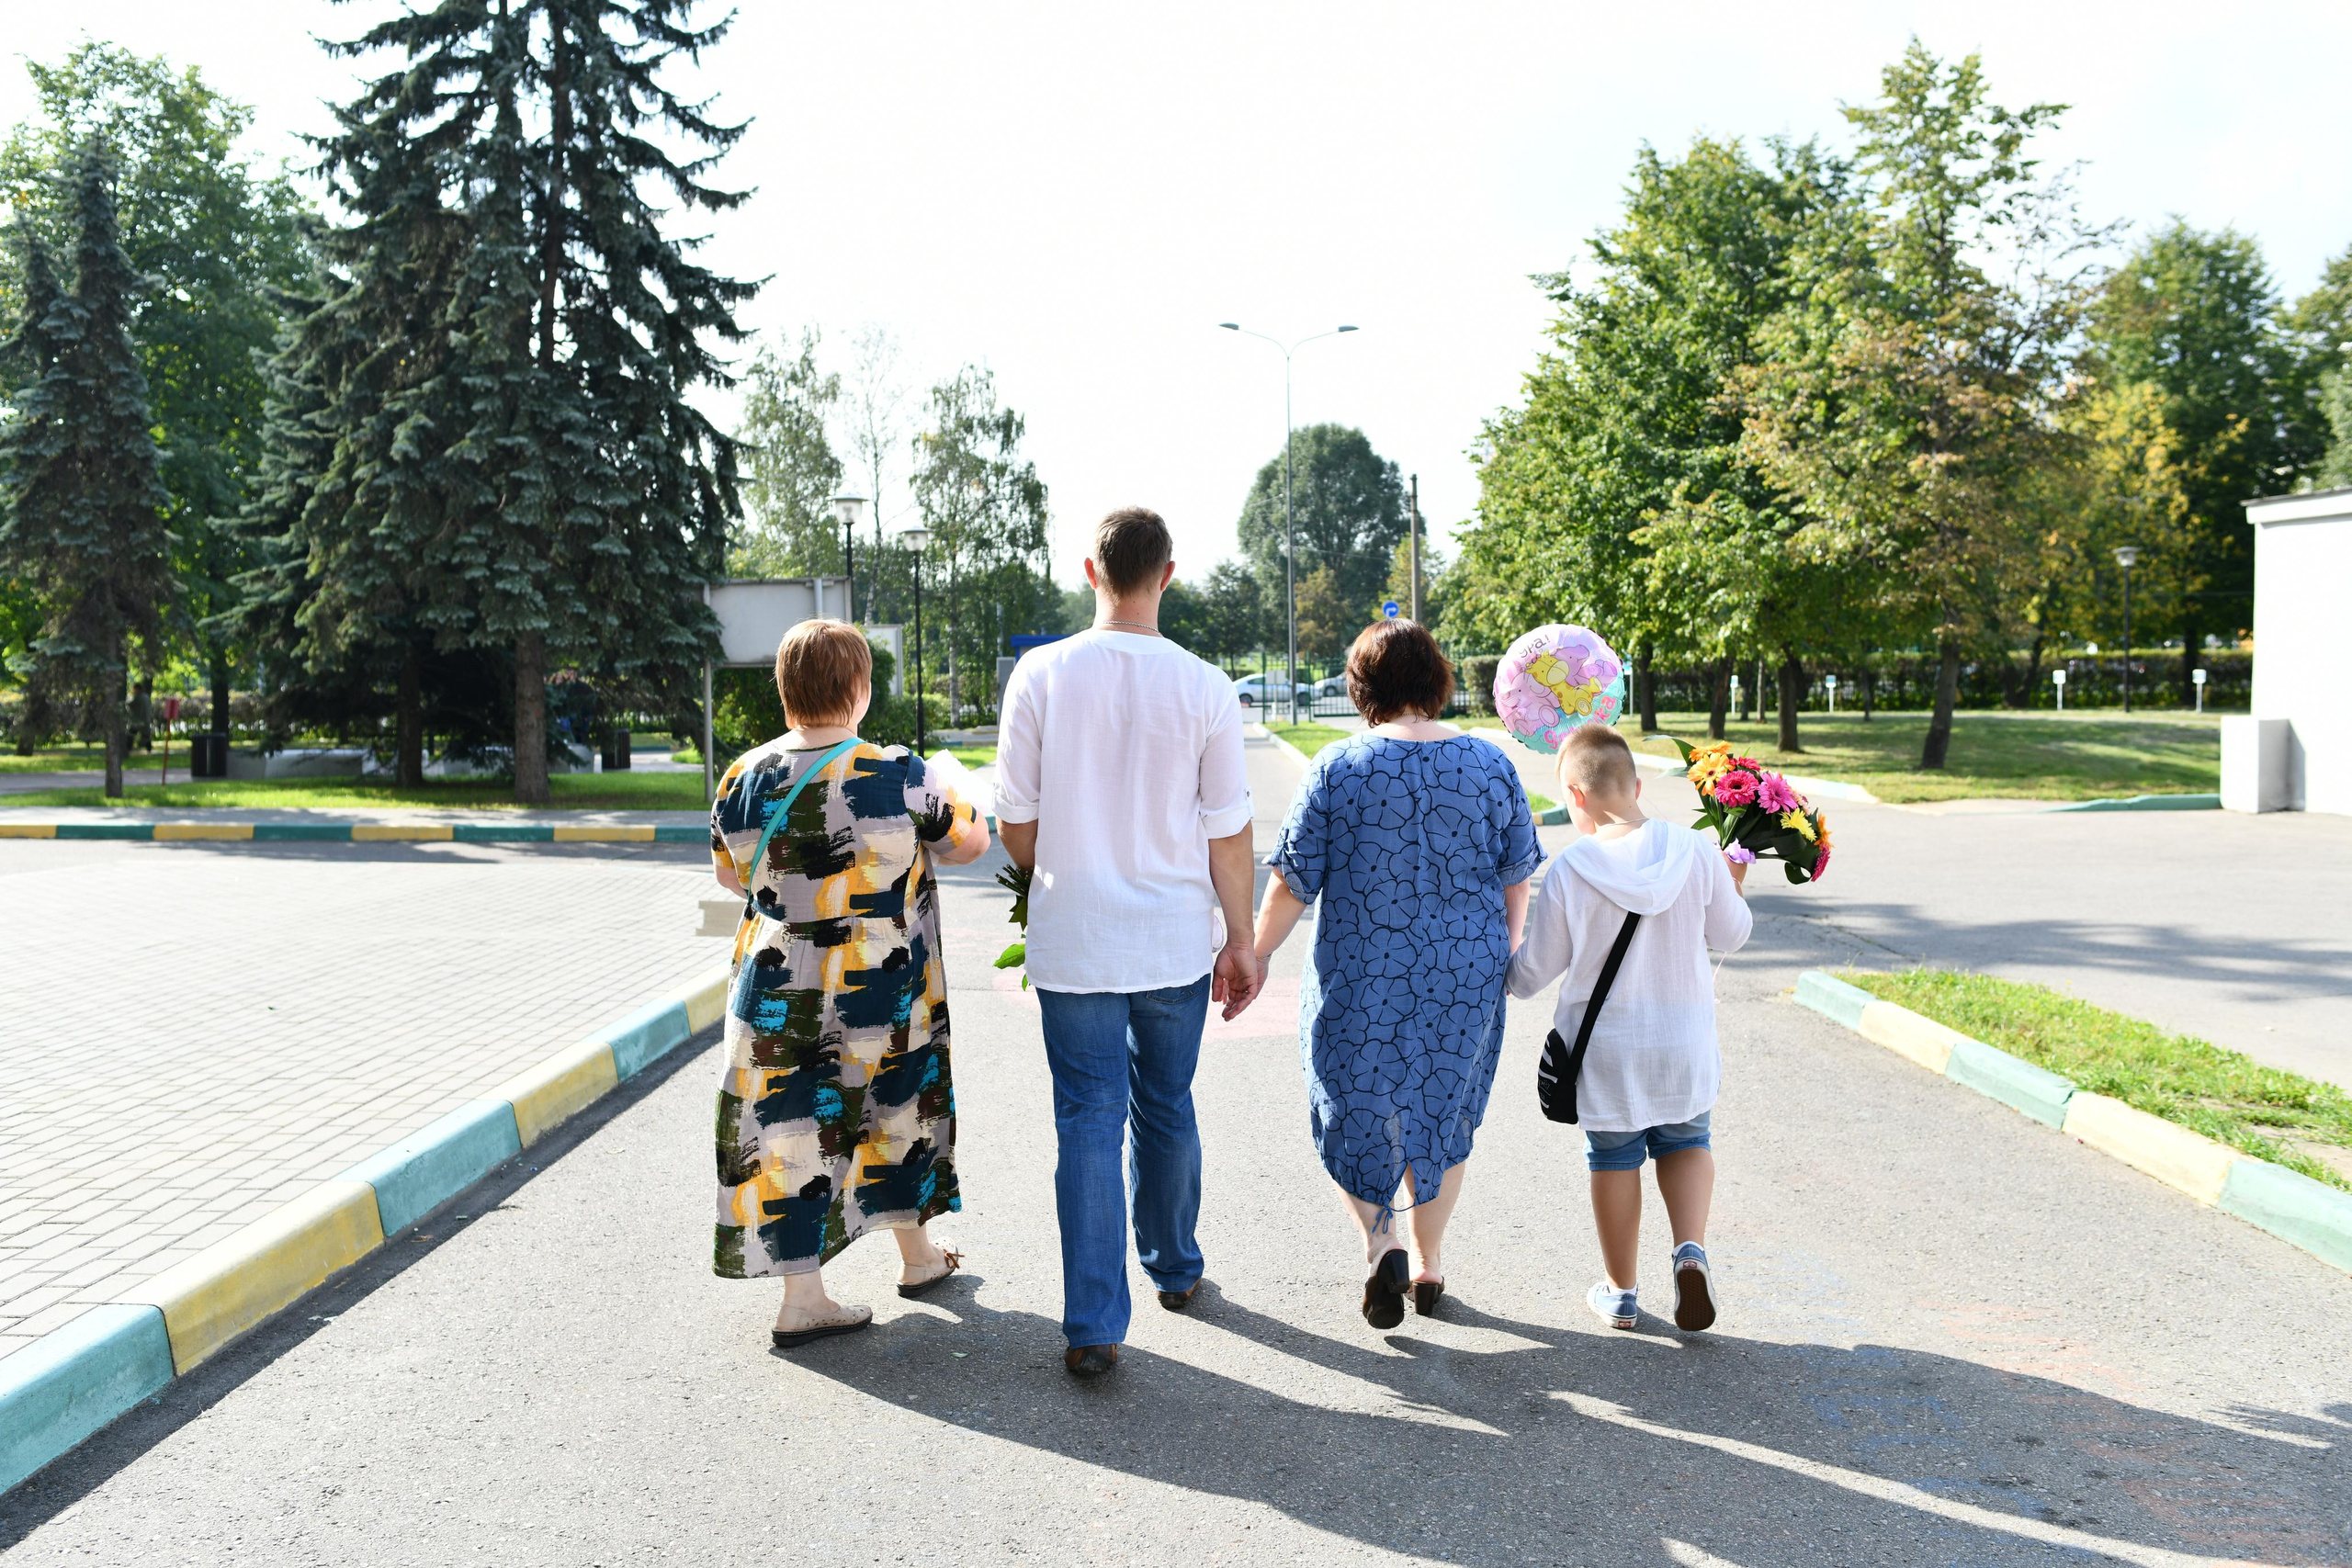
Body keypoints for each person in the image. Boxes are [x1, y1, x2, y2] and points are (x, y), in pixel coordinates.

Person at [993, 506, 1261, 1379]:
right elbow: (1228, 832)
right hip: (1172, 940)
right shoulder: (1205, 685)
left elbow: (1016, 824)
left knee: (1087, 1116)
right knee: (1166, 1101)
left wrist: (1060, 868)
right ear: (1167, 575)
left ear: (1090, 572)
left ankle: (1093, 1323)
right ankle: (1175, 1266)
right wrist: (1241, 939)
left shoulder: (1040, 673)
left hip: (1075, 938)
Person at [1247, 619, 1540, 1329]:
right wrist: (1503, 948)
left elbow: (1292, 881)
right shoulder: (1489, 762)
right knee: (1444, 1110)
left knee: (1355, 1106)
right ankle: (1429, 1262)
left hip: (1363, 970)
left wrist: (1255, 954)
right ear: (1436, 679)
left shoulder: (1338, 766)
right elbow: (1517, 873)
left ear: (1362, 687)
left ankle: (1383, 1243)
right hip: (1464, 969)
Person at [707, 618, 990, 1347]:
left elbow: (730, 875)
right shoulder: (899, 771)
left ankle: (824, 1290)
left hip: (777, 988)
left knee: (791, 1133)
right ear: (859, 688)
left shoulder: (743, 776)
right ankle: (906, 1260)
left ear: (785, 690)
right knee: (898, 1110)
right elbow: (971, 843)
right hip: (881, 990)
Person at [1505, 722, 1750, 1334]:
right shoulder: (1696, 850)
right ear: (1636, 785)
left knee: (1613, 1157)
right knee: (1688, 1142)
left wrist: (1501, 960)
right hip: (1683, 1041)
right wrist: (1734, 882)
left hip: (1606, 1049)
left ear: (1575, 796)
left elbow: (1533, 973)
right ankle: (1689, 1253)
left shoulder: (1572, 868)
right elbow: (1731, 934)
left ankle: (1621, 1293)